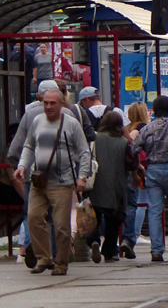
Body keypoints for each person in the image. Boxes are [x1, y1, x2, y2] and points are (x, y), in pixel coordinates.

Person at [14, 88, 91, 276]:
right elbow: (29, 146)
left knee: (62, 226)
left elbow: (84, 152)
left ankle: (61, 263)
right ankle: (43, 258)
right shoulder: (37, 121)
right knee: (33, 218)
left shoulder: (71, 124)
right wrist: (22, 165)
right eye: (45, 103)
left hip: (62, 182)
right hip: (39, 182)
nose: (48, 107)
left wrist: (82, 176)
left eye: (52, 103)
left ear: (61, 104)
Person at [127, 95, 168, 263]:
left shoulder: (147, 129)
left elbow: (133, 150)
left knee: (154, 210)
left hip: (153, 171)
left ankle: (156, 250)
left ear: (153, 110)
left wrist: (137, 167)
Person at [87, 110, 134, 263]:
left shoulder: (95, 138)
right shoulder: (123, 142)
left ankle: (93, 240)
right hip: (116, 186)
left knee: (95, 216)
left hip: (96, 184)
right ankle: (109, 251)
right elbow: (130, 163)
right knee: (113, 221)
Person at [120, 102, 150, 259]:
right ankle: (136, 233)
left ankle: (134, 233)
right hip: (141, 166)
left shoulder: (130, 127)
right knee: (141, 202)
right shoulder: (142, 127)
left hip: (132, 167)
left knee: (138, 202)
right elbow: (131, 144)